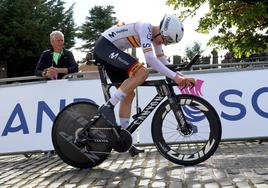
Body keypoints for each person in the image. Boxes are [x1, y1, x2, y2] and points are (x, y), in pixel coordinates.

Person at [93, 14, 196, 156]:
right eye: (167, 39)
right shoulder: (145, 28)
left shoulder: (156, 38)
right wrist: (176, 77)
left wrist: (181, 76)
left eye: (169, 42)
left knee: (129, 95)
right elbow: (150, 60)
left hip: (113, 51)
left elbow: (163, 62)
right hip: (105, 47)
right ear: (163, 31)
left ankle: (124, 137)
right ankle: (108, 106)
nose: (165, 43)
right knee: (142, 72)